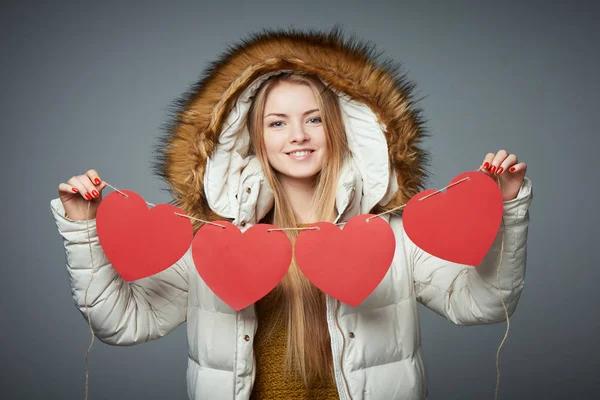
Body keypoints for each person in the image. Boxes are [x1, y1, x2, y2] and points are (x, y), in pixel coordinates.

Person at [50, 28, 533, 400]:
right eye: (277, 122)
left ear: (342, 128)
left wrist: (508, 206)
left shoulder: (393, 233)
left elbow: (484, 303)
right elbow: (122, 322)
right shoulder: (211, 239)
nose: (297, 135)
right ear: (251, 137)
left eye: (314, 119)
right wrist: (82, 228)